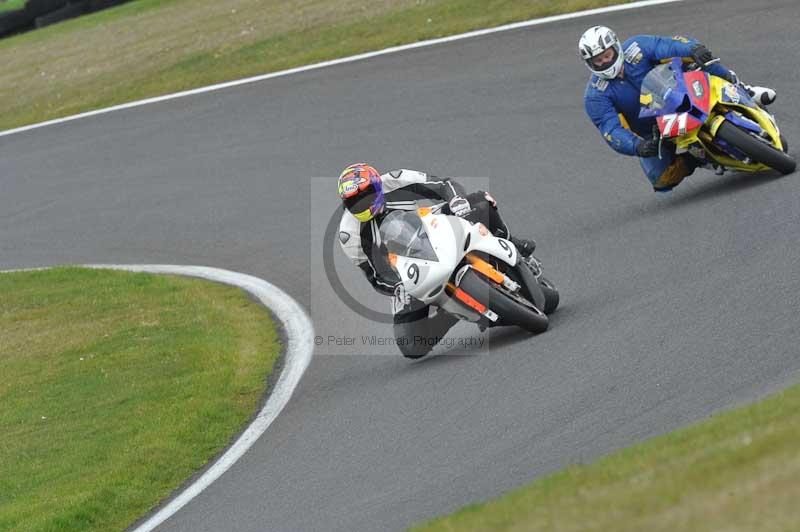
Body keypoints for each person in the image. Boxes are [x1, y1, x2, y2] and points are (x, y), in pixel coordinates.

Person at [337, 163, 535, 358]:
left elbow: (443, 185)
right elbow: (375, 275)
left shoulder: (397, 180)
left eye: (366, 195)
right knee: (411, 346)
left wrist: (456, 200)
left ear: (378, 185)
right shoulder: (349, 234)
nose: (363, 204)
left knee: (481, 201)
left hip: (431, 224)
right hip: (406, 269)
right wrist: (397, 287)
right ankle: (448, 315)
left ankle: (514, 245)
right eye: (354, 202)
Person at [580, 26, 777, 192]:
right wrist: (636, 146)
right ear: (589, 64)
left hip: (683, 89)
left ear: (616, 47)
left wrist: (693, 49)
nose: (604, 62)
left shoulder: (636, 47)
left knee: (701, 58)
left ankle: (744, 90)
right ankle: (696, 159)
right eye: (597, 61)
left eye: (607, 55)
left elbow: (666, 45)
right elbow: (610, 130)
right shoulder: (595, 95)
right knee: (661, 180)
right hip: (656, 128)